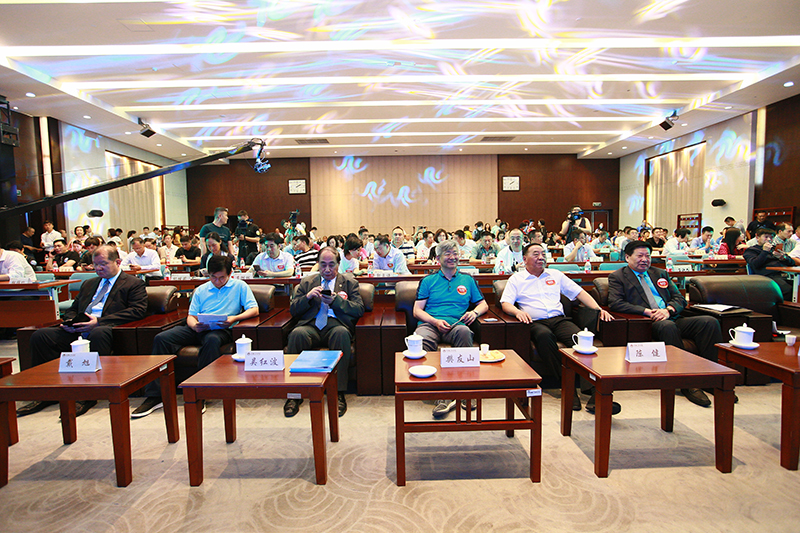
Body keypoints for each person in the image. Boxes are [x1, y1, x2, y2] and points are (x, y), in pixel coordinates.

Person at [17, 245, 148, 418]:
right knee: (41, 336)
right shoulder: (89, 283)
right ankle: (46, 393)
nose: (98, 268)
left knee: (97, 334)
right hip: (79, 327)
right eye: (95, 264)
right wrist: (70, 321)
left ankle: (88, 396)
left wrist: (99, 322)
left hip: (106, 327)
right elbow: (74, 308)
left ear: (117, 262)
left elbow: (137, 310)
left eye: (103, 264)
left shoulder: (133, 283)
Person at [132, 255, 258, 418]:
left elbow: (254, 309)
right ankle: (156, 395)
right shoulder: (201, 290)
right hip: (198, 326)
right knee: (162, 338)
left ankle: (201, 392)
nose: (217, 281)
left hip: (221, 328)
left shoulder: (240, 286)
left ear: (230, 273)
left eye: (221, 278)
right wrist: (194, 326)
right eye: (213, 277)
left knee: (212, 340)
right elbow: (191, 316)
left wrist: (234, 318)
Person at [500, 243, 617, 414]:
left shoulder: (555, 275)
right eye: (536, 254)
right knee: (544, 337)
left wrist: (599, 309)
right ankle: (568, 389)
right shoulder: (517, 279)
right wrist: (518, 312)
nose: (541, 257)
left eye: (543, 253)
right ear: (524, 259)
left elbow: (579, 293)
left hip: (559, 320)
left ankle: (593, 391)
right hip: (535, 322)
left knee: (581, 339)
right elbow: (506, 303)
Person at [608, 241, 724, 408]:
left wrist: (668, 310)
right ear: (627, 257)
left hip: (671, 316)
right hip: (649, 322)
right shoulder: (618, 277)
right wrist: (647, 312)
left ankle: (710, 379)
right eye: (640, 256)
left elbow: (679, 298)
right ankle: (686, 383)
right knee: (667, 327)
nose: (645, 259)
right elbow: (616, 303)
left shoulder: (660, 273)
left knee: (709, 322)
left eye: (647, 256)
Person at [284, 247, 365, 418]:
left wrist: (336, 301)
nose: (327, 269)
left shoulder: (349, 282)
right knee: (297, 334)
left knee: (341, 334)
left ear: (338, 264)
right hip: (311, 325)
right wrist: (307, 298)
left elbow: (358, 309)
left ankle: (338, 393)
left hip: (336, 324)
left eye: (331, 265)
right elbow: (293, 310)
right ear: (318, 264)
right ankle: (294, 394)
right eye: (323, 265)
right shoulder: (307, 282)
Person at [414, 240, 489, 418]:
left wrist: (474, 312)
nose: (452, 257)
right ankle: (441, 394)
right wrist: (435, 322)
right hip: (430, 324)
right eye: (447, 254)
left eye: (455, 253)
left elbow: (483, 304)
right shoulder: (428, 280)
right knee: (420, 339)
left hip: (456, 324)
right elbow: (417, 311)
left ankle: (465, 390)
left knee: (465, 332)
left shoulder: (467, 279)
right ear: (438, 258)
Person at [743, 228, 796, 301]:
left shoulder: (775, 249)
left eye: (771, 237)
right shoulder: (751, 250)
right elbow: (755, 264)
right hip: (767, 276)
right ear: (757, 237)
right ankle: (785, 307)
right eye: (766, 237)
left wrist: (783, 257)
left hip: (785, 275)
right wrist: (765, 251)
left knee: (797, 287)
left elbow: (792, 263)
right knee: (788, 290)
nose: (769, 239)